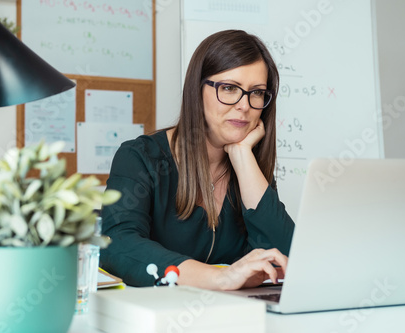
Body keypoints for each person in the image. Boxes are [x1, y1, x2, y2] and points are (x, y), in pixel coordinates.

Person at [100, 30, 295, 290]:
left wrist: (242, 156)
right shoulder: (141, 157)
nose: (244, 105)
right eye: (228, 88)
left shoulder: (250, 169)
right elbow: (118, 244)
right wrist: (221, 278)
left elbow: (284, 256)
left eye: (257, 92)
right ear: (197, 89)